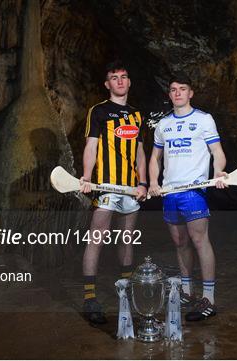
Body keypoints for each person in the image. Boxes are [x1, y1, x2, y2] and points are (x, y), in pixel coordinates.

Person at [149, 74, 227, 321]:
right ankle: (186, 291)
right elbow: (155, 159)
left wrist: (219, 172)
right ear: (170, 94)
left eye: (182, 89)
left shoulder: (204, 120)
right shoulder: (163, 125)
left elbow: (217, 152)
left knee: (200, 240)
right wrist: (153, 182)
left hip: (193, 191)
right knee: (180, 241)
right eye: (173, 89)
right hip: (170, 192)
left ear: (190, 93)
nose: (178, 93)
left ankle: (209, 299)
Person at [80, 61, 148, 324]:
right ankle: (89, 298)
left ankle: (126, 291)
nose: (119, 81)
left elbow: (141, 153)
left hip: (131, 188)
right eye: (114, 78)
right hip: (106, 186)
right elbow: (91, 146)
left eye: (123, 76)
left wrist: (142, 183)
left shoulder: (136, 115)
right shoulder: (98, 111)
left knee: (127, 239)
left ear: (129, 82)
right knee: (96, 238)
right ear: (107, 84)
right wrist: (86, 177)